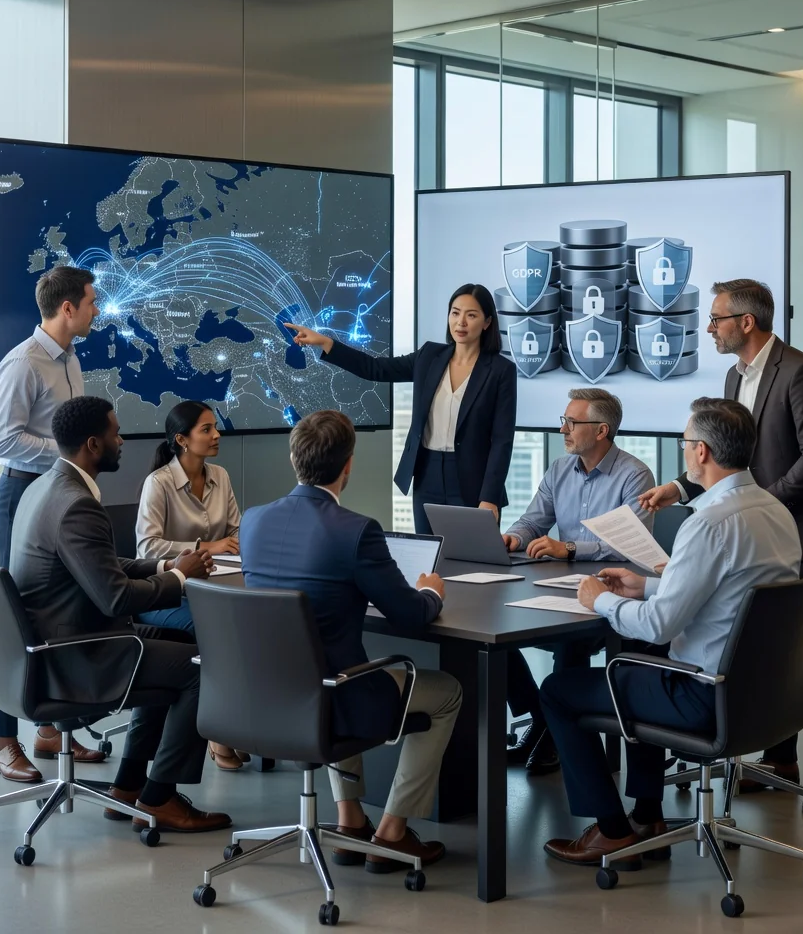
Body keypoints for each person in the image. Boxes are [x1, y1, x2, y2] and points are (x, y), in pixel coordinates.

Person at [540, 398, 801, 867]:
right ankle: (648, 816)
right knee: (643, 657)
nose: (684, 452)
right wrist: (647, 584)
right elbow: (732, 591)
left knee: (559, 690)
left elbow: (661, 622)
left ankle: (612, 830)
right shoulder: (776, 511)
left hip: (702, 698)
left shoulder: (708, 523)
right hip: (764, 696)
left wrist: (598, 599)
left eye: (684, 443)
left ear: (701, 452)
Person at [639, 279, 803, 811]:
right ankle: (782, 759)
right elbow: (734, 455)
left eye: (716, 319)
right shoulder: (736, 375)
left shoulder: (800, 372)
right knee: (767, 637)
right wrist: (682, 486)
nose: (709, 327)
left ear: (747, 322)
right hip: (757, 523)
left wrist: (761, 503)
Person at [240, 410, 462, 871]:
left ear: (293, 459)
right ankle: (394, 832)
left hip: (261, 696)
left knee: (340, 666)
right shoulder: (356, 531)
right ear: (348, 466)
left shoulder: (254, 522)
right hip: (332, 697)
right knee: (446, 693)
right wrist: (430, 592)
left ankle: (350, 821)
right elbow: (410, 615)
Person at [9, 396, 231, 833]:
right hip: (78, 653)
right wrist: (181, 580)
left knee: (187, 645)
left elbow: (102, 566)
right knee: (204, 668)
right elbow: (114, 599)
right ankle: (161, 796)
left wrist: (166, 566)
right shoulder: (77, 505)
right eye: (114, 433)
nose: (121, 440)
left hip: (59, 639)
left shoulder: (46, 488)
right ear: (94, 444)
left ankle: (128, 787)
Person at [500, 388, 655, 776]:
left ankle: (554, 736)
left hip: (611, 591)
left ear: (602, 430)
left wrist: (568, 548)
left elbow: (625, 548)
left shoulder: (635, 475)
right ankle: (541, 717)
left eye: (572, 423)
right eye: (563, 421)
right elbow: (533, 519)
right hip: (558, 586)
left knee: (571, 644)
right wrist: (514, 537)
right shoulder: (559, 469)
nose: (563, 430)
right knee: (496, 638)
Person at [0, 265, 102, 782]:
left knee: (66, 606)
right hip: (20, 496)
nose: (97, 310)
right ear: (68, 308)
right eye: (92, 302)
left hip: (55, 496)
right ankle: (2, 740)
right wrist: (65, 454)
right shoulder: (24, 363)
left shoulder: (72, 360)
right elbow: (4, 441)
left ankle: (55, 730)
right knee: (16, 619)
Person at [285, 283, 516, 534]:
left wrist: (490, 497)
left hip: (474, 480)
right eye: (455, 312)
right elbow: (376, 368)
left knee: (474, 563)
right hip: (427, 475)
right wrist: (326, 343)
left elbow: (502, 440)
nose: (460, 322)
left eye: (471, 315)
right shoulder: (430, 356)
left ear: (487, 322)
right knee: (430, 556)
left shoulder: (501, 371)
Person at [135, 399, 246, 772]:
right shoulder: (159, 483)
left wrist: (230, 543)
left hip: (217, 589)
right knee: (214, 632)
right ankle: (217, 730)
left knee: (247, 625)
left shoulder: (222, 476)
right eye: (206, 429)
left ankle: (231, 721)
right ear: (181, 439)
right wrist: (202, 547)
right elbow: (147, 548)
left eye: (215, 427)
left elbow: (236, 532)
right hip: (168, 595)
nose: (217, 435)